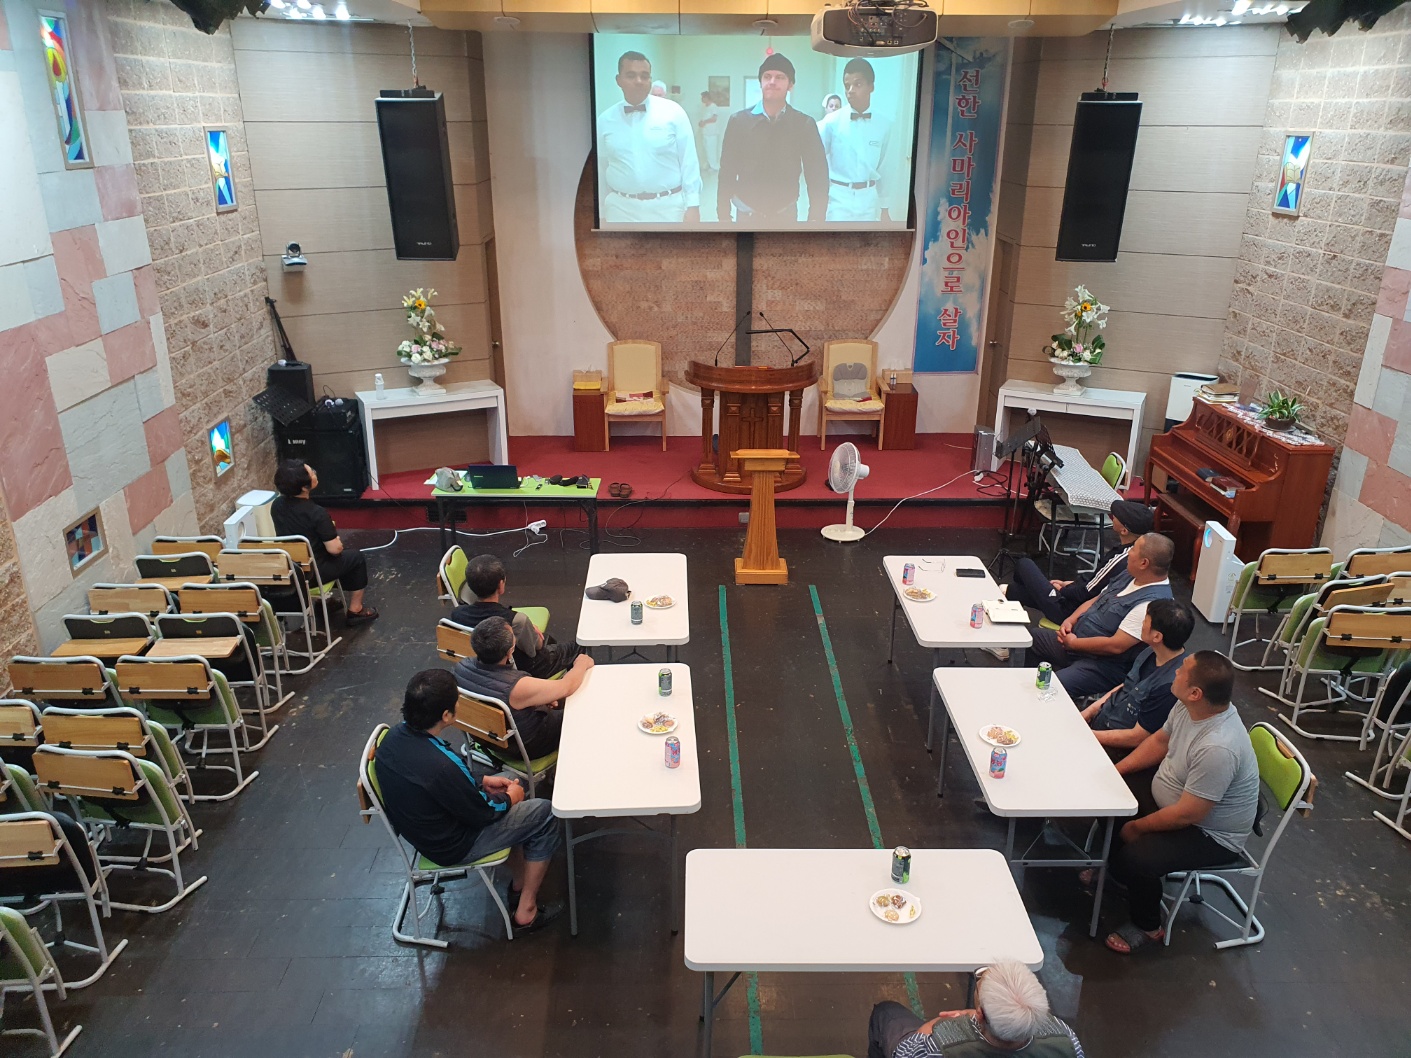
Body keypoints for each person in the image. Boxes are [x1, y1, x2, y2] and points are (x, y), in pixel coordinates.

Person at [373, 669, 562, 932]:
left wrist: (483, 781)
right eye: (457, 701)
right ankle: (525, 912)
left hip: (424, 829)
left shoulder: (395, 738)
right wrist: (510, 799)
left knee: (509, 779)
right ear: (446, 715)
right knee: (546, 813)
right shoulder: (440, 767)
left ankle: (519, 881)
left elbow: (449, 778)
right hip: (455, 844)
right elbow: (483, 813)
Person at [1104, 651, 1259, 954]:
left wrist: (1137, 827)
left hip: (1208, 833)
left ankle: (1147, 926)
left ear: (1195, 692)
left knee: (1139, 857)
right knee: (1109, 796)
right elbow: (1160, 741)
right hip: (1174, 797)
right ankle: (1118, 874)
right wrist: (1115, 773)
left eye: (1182, 671)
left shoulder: (1218, 747)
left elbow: (1187, 815)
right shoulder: (1189, 706)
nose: (1175, 672)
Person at [1026, 533, 1175, 699]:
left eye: (1133, 549)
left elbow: (1116, 645)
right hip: (1076, 642)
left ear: (1143, 563)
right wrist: (1071, 620)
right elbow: (1096, 599)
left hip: (1102, 665)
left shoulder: (1151, 604)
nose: (1128, 552)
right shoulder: (1130, 575)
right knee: (1032, 639)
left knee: (1050, 686)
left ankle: (1043, 705)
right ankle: (1026, 695)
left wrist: (1074, 643)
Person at [868, 960, 1085, 1057]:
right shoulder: (1066, 1040)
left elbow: (905, 1052)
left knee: (886, 1013)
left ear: (980, 1014)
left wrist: (938, 1024)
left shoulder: (938, 1047)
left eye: (980, 980)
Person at [453, 616, 593, 758]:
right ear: (510, 652)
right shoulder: (515, 686)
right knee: (583, 709)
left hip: (489, 738)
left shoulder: (461, 668)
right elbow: (567, 686)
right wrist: (581, 663)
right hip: (526, 746)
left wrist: (536, 699)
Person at [716, 53, 828, 224]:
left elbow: (817, 174)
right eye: (767, 76)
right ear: (760, 82)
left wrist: (816, 218)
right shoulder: (739, 121)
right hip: (747, 214)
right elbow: (727, 170)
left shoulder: (803, 124)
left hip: (785, 214)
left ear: (790, 85)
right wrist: (723, 214)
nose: (772, 82)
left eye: (780, 77)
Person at [1007, 499, 1155, 625]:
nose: (1113, 517)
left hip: (1068, 610)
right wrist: (1068, 584)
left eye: (1117, 517)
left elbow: (1086, 592)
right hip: (1076, 601)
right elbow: (1095, 581)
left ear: (1124, 530)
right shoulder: (1133, 552)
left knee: (1024, 564)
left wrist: (1062, 590)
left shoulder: (1122, 558)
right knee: (1014, 591)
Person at [596, 51, 702, 224]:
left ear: (650, 80)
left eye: (644, 76)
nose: (639, 81)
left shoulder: (673, 113)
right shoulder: (605, 120)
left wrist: (693, 206)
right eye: (631, 75)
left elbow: (689, 162)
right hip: (620, 209)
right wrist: (600, 211)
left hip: (668, 207)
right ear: (618, 80)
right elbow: (600, 169)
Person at [1080, 598, 1193, 759]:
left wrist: (1089, 736)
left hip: (1117, 749)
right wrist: (1089, 712)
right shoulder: (1150, 651)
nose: (1142, 624)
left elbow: (1137, 737)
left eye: (1145, 621)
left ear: (1157, 636)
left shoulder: (1169, 687)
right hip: (1102, 722)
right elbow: (1126, 686)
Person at [270, 459, 378, 625]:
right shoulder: (317, 513)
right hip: (314, 572)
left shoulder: (276, 505)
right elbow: (335, 549)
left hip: (291, 569)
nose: (315, 473)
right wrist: (336, 541)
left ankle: (324, 602)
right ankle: (355, 610)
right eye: (312, 472)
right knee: (355, 558)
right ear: (304, 487)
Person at [450, 553, 582, 680]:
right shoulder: (516, 621)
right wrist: (528, 628)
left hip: (483, 668)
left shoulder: (457, 614)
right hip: (523, 671)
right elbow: (535, 649)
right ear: (501, 585)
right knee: (578, 646)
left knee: (550, 640)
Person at [818, 58, 894, 222]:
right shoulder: (831, 122)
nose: (850, 91)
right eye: (847, 86)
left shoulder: (884, 124)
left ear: (871, 87)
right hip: (838, 197)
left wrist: (885, 207)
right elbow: (815, 161)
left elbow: (885, 168)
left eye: (857, 84)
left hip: (869, 199)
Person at [698, 90, 722, 171]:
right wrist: (701, 122)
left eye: (702, 97)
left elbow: (714, 119)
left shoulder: (713, 106)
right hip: (705, 132)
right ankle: (709, 164)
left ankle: (714, 166)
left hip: (712, 133)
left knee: (711, 150)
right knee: (706, 150)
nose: (701, 99)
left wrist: (704, 122)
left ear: (706, 98)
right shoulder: (705, 107)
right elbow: (704, 118)